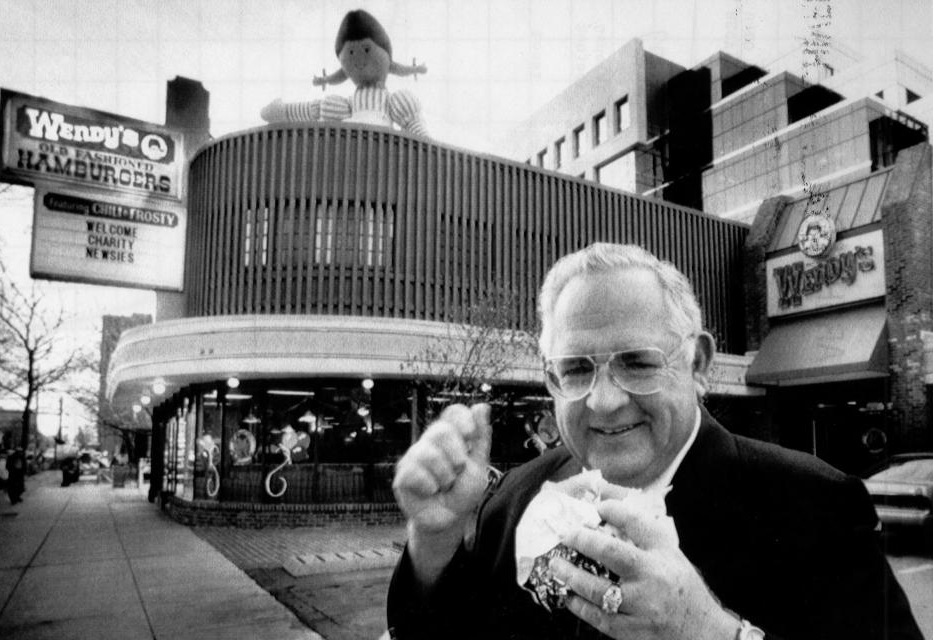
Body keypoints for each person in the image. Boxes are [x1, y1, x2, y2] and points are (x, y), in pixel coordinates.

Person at [387, 243, 922, 640]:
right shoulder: (513, 501)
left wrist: (710, 631)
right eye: (574, 370)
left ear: (699, 363)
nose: (603, 401)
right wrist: (433, 543)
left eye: (637, 363)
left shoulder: (817, 505)